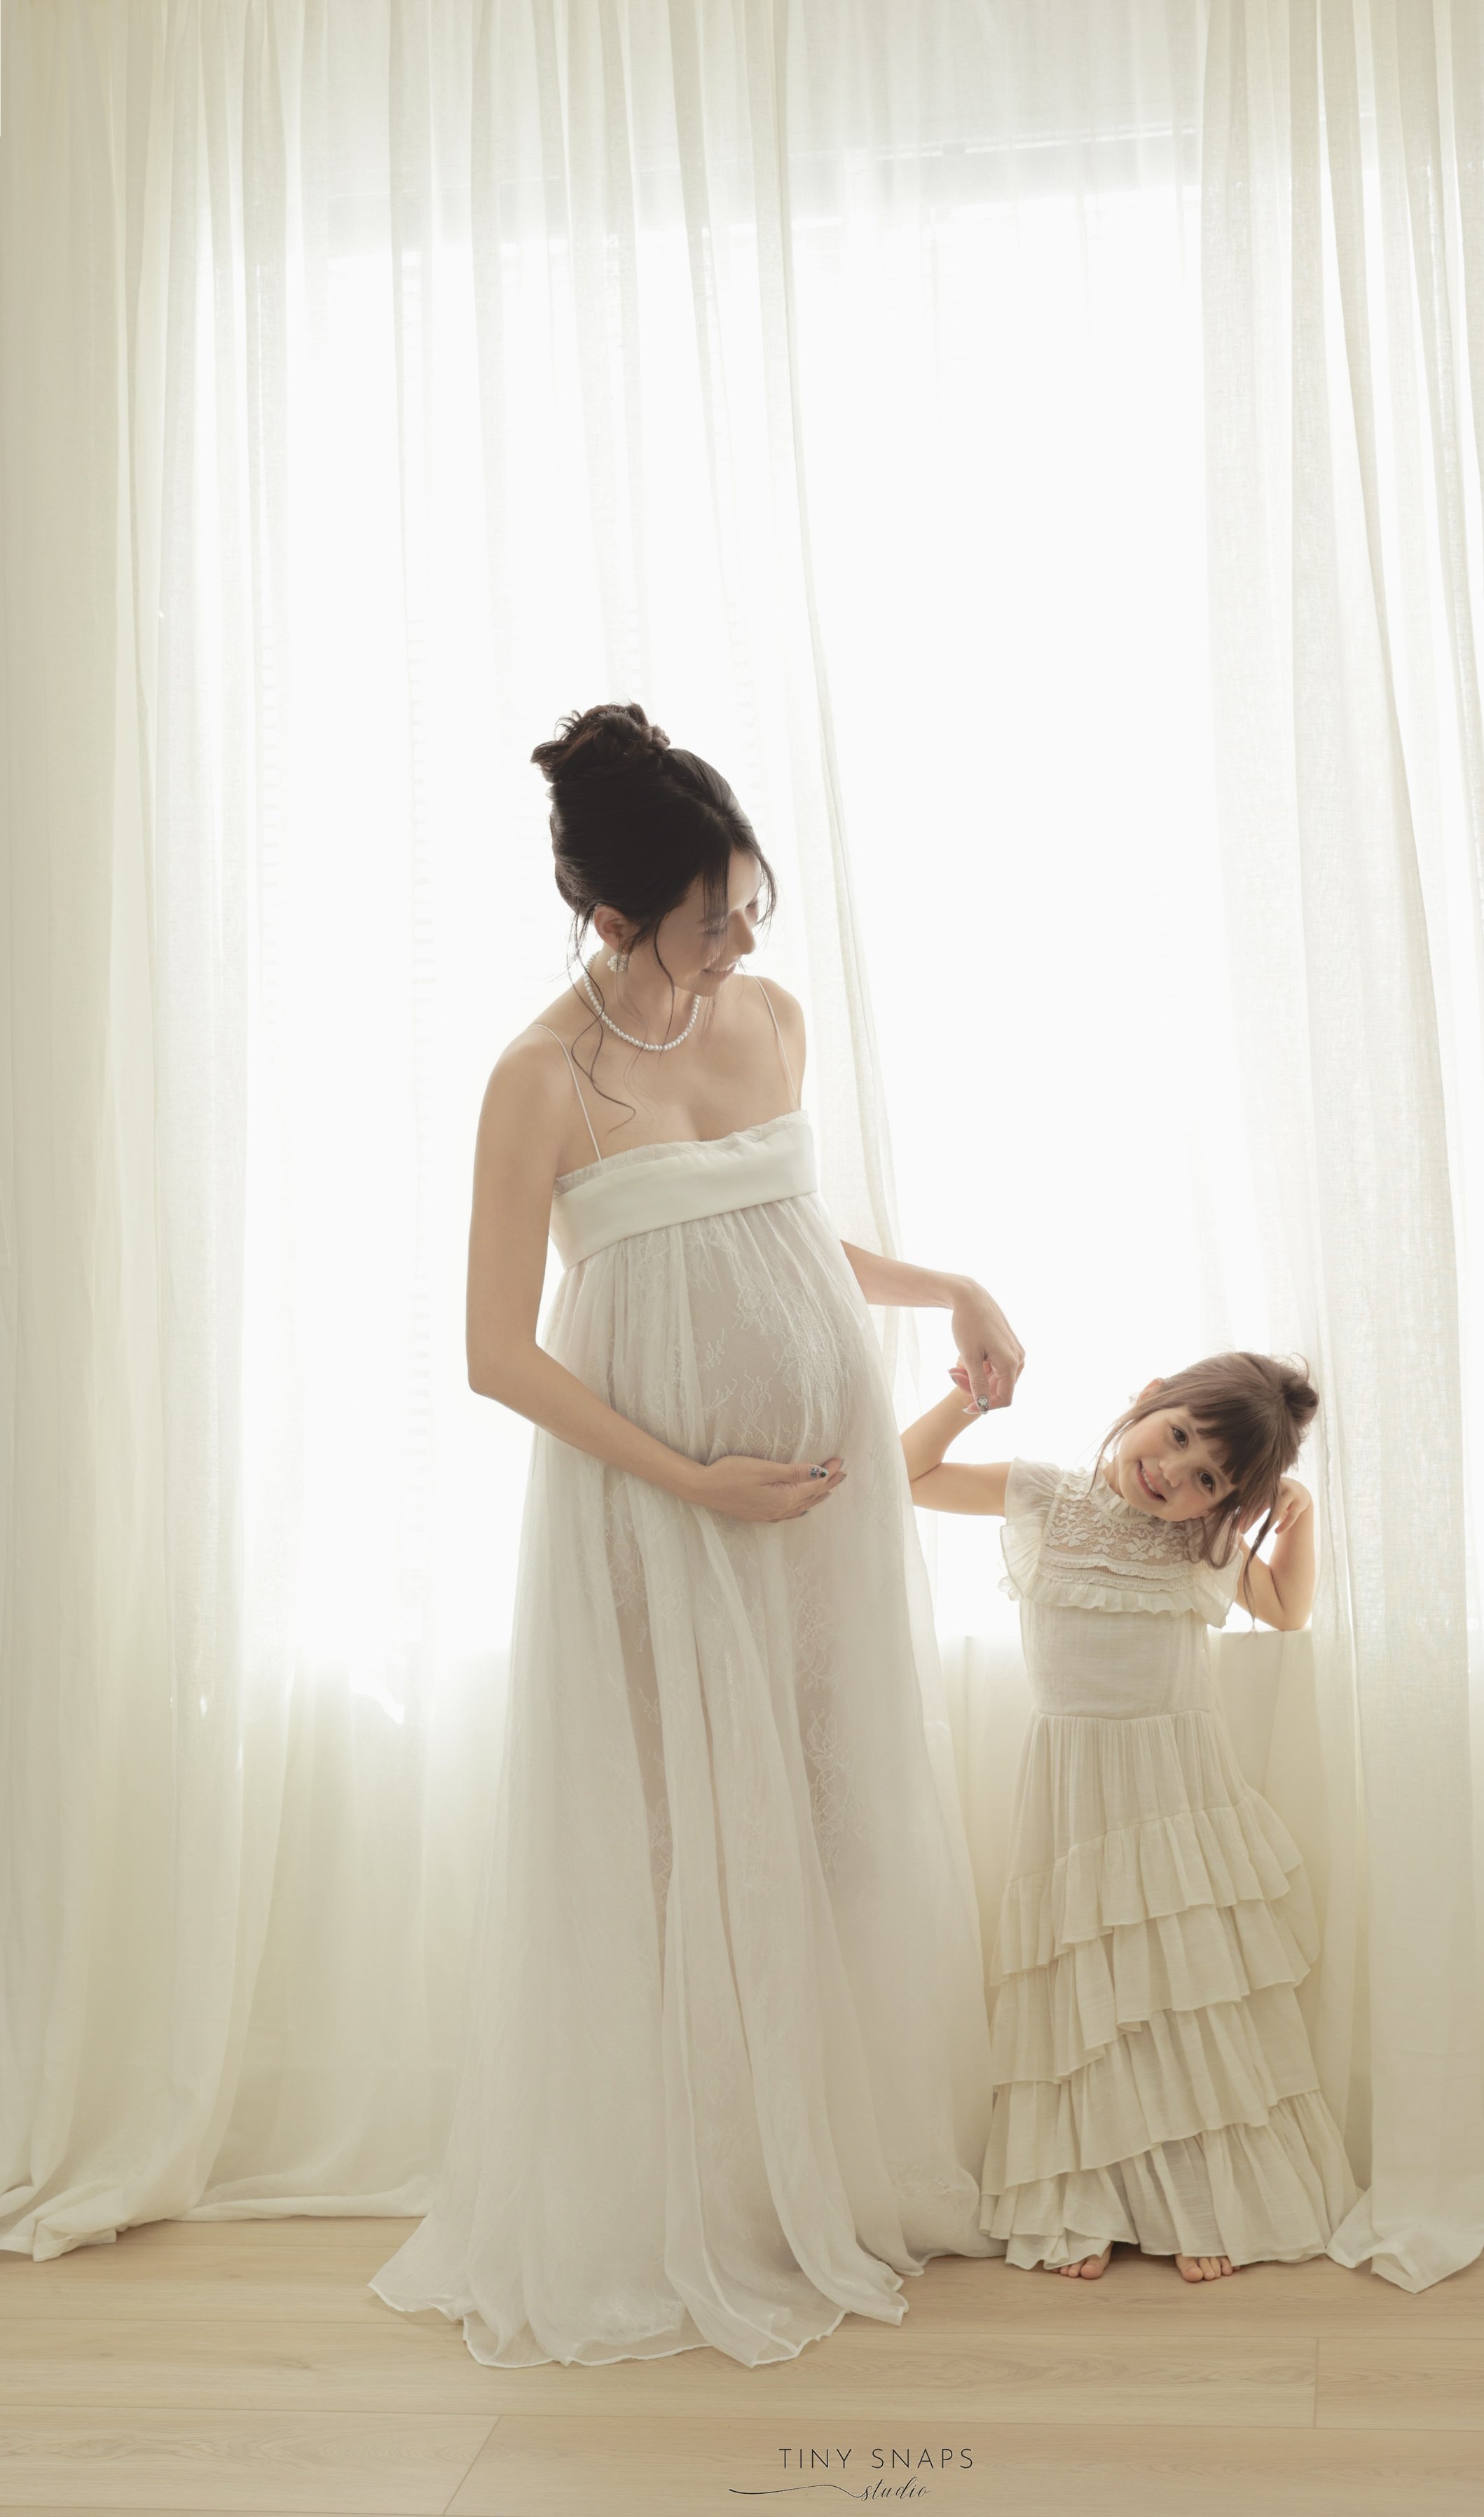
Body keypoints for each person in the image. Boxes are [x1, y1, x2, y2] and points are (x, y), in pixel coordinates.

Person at [373, 702, 1019, 2366]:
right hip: (659, 1513)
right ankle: (695, 2194)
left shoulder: (771, 1018)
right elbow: (495, 1351)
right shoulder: (537, 1081)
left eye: (750, 901)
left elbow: (779, 1221)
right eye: (709, 914)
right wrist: (688, 1477)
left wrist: (945, 1281)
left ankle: (827, 2153)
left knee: (829, 1806)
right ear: (610, 914)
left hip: (822, 1509)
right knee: (676, 1836)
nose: (738, 940)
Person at [901, 1349, 1356, 2280]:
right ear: (1149, 1400)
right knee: (1086, 2002)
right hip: (1074, 1792)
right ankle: (1089, 2198)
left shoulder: (1206, 1545)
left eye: (1208, 1481)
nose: (1172, 1474)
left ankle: (1202, 2198)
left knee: (1180, 1993)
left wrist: (1295, 1516)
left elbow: (1288, 1610)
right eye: (1178, 1436)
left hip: (1180, 1792)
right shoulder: (1044, 1499)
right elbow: (903, 1475)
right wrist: (964, 1397)